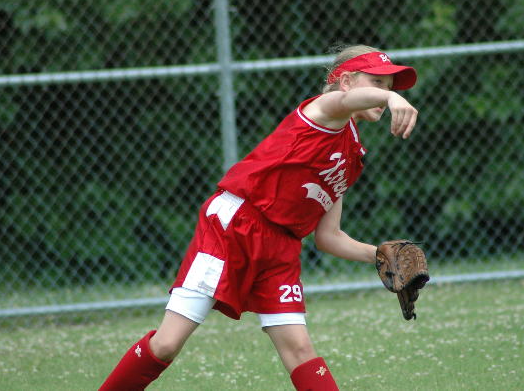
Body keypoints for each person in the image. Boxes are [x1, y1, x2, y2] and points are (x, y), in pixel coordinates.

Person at [99, 44, 419, 390]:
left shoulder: (350, 152)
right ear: (345, 82)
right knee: (166, 344)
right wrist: (392, 99)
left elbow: (329, 236)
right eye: (377, 82)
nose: (385, 92)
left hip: (282, 246)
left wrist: (379, 255)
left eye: (390, 87)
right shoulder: (324, 111)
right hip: (236, 226)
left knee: (299, 350)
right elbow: (344, 102)